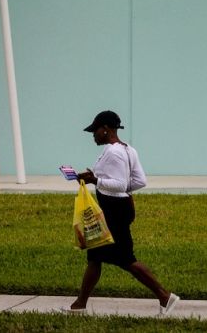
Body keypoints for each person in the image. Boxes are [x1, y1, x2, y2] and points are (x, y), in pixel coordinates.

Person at [66, 110, 179, 316]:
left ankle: (165, 296)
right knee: (95, 257)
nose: (93, 135)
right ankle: (79, 304)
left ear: (106, 130)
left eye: (95, 130)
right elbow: (138, 182)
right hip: (120, 207)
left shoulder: (113, 152)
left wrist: (96, 181)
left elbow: (119, 184)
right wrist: (107, 183)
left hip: (114, 211)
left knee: (126, 259)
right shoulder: (128, 150)